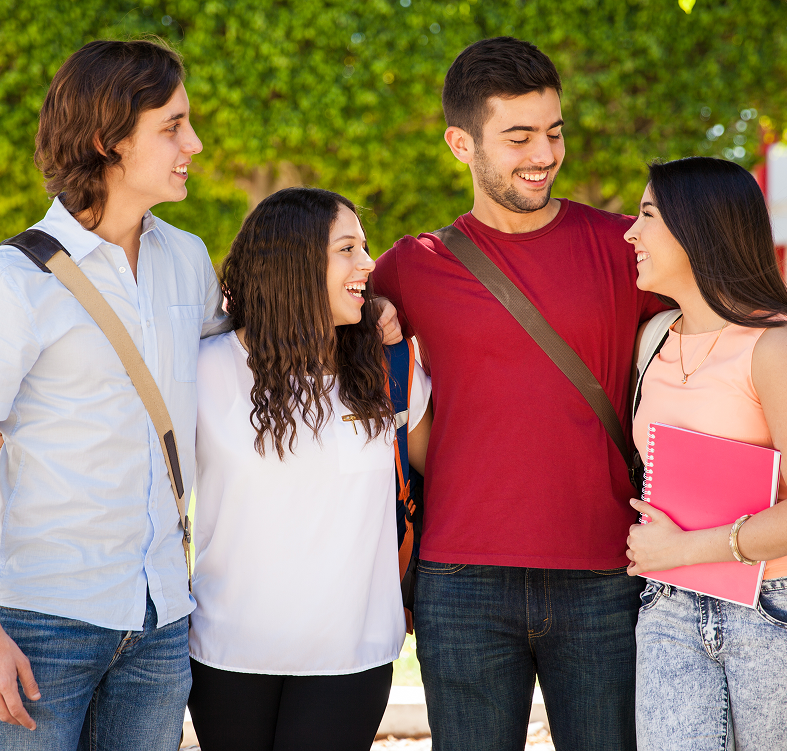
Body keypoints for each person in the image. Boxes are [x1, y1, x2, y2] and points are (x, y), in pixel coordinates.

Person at [371, 36, 664, 751]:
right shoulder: (411, 265)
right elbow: (298, 335)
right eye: (519, 135)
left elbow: (725, 335)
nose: (544, 153)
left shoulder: (626, 246)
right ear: (460, 143)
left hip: (605, 572)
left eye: (554, 131)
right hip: (460, 580)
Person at [0, 39, 224, 749]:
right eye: (171, 126)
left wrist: (372, 311)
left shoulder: (188, 260)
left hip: (162, 620)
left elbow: (248, 354)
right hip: (42, 625)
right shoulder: (6, 282)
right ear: (108, 139)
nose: (193, 142)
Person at [185, 187, 433, 751]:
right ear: (294, 265)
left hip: (353, 653)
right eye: (347, 249)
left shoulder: (389, 367)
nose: (369, 265)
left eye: (363, 247)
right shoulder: (205, 369)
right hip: (227, 651)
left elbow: (449, 472)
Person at [624, 156, 787, 751]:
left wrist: (680, 549)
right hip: (666, 607)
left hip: (770, 613)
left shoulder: (774, 346)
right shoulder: (652, 339)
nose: (630, 232)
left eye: (646, 215)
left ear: (699, 229)